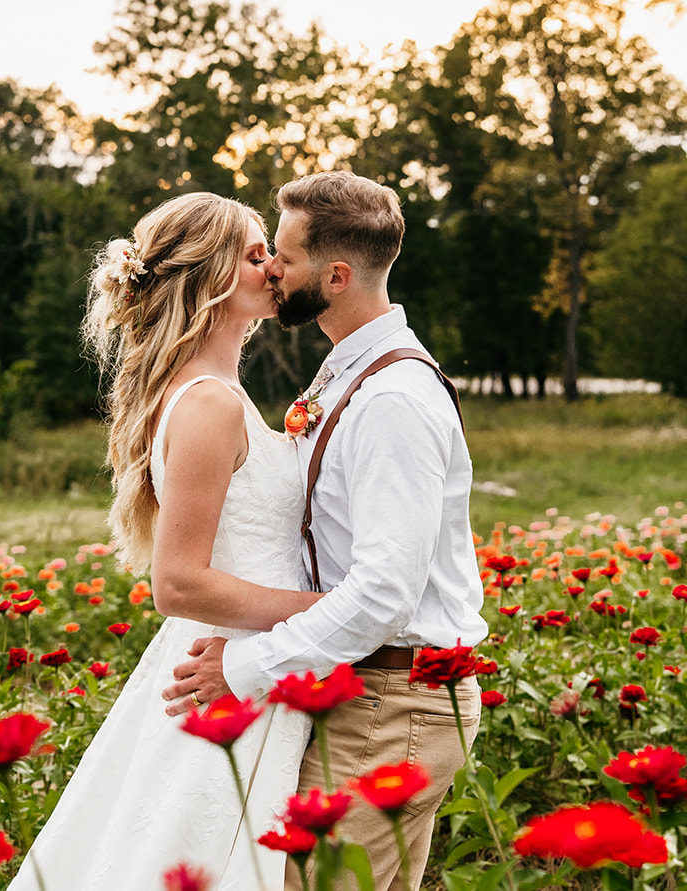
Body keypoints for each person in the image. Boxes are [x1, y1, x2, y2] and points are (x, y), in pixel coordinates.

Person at [160, 170, 487, 891]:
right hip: (362, 692)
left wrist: (240, 671)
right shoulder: (346, 376)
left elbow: (383, 598)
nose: (272, 267)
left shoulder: (391, 399)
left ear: (336, 275)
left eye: (285, 254)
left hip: (392, 702)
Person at [7, 192, 321, 891]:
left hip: (241, 661)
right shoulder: (207, 401)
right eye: (253, 252)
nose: (273, 266)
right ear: (207, 275)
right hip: (223, 674)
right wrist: (324, 609)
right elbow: (177, 582)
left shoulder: (215, 390)